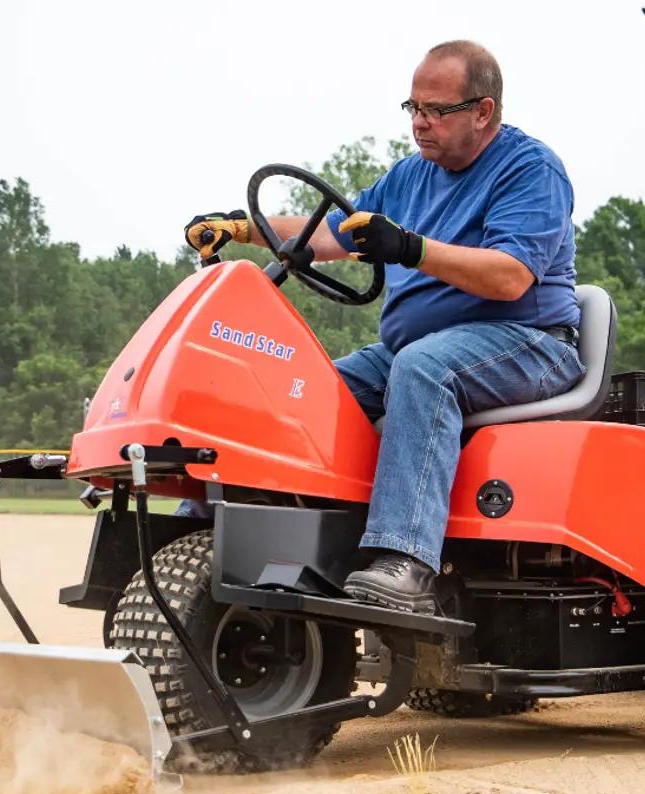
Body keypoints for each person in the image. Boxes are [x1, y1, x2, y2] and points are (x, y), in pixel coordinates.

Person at [180, 40, 584, 615]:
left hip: (529, 343)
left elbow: (511, 278)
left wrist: (411, 248)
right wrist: (242, 229)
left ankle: (406, 561)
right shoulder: (410, 175)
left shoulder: (530, 169)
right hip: (415, 347)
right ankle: (202, 526)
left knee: (423, 369)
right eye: (412, 107)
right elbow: (328, 233)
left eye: (436, 110)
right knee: (304, 388)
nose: (420, 123)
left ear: (483, 111)